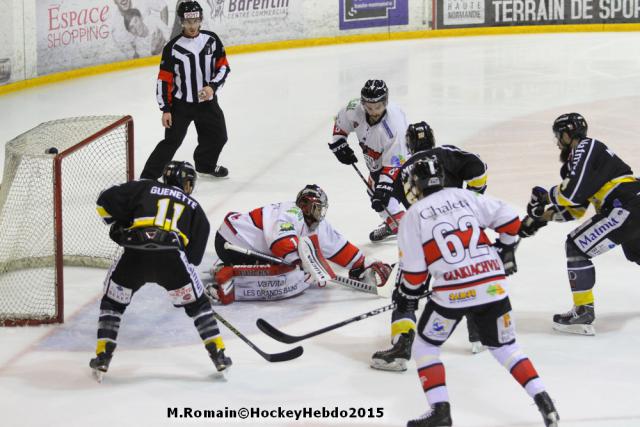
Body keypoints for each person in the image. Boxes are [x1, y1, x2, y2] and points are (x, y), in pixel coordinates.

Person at [398, 155, 559, 427]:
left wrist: (407, 294)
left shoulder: (412, 216)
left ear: (417, 184)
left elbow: (414, 276)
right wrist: (505, 249)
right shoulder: (465, 196)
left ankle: (440, 412)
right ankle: (544, 400)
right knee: (506, 347)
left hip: (452, 294)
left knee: (426, 346)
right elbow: (510, 222)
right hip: (492, 285)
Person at [89, 161, 231, 380]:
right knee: (198, 305)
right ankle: (219, 354)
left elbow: (104, 201)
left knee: (112, 303)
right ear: (186, 184)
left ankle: (102, 356)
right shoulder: (195, 207)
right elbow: (193, 258)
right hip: (171, 258)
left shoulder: (144, 187)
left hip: (134, 254)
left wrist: (121, 225)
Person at [371, 121, 489, 371]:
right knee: (464, 277)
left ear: (410, 144)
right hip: (458, 230)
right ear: (432, 140)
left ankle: (402, 346)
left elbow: (386, 204)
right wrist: (473, 199)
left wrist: (381, 198)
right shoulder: (446, 152)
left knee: (406, 295)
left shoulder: (403, 169)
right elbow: (479, 167)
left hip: (422, 235)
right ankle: (480, 335)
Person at [519, 112, 640, 336]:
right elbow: (575, 209)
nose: (557, 143)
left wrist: (544, 197)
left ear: (567, 134)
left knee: (576, 247)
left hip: (626, 205)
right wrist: (540, 218)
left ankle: (583, 310)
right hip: (631, 205)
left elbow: (572, 193)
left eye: (558, 136)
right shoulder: (582, 160)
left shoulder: (585, 146)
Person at [210, 184, 392, 303]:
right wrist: (305, 266)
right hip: (232, 242)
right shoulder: (291, 212)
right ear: (305, 205)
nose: (320, 213)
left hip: (244, 243)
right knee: (290, 277)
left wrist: (362, 264)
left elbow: (338, 246)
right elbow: (280, 244)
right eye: (317, 208)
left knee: (297, 275)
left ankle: (231, 267)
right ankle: (229, 279)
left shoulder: (316, 224)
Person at [141, 0, 230, 181]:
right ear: (181, 22)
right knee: (171, 142)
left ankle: (206, 165)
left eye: (195, 21)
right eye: (188, 22)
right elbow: (164, 80)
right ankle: (148, 178)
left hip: (207, 103)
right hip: (181, 105)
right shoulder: (172, 47)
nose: (192, 25)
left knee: (219, 136)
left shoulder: (211, 40)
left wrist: (211, 87)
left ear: (201, 20)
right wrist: (165, 108)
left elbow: (223, 67)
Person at [329, 79, 409, 242]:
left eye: (378, 107)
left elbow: (395, 162)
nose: (373, 111)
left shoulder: (394, 125)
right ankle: (395, 223)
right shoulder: (354, 108)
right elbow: (341, 123)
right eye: (369, 107)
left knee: (402, 192)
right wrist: (339, 142)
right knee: (374, 189)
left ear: (385, 102)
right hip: (376, 160)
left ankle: (420, 225)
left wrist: (384, 187)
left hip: (402, 160)